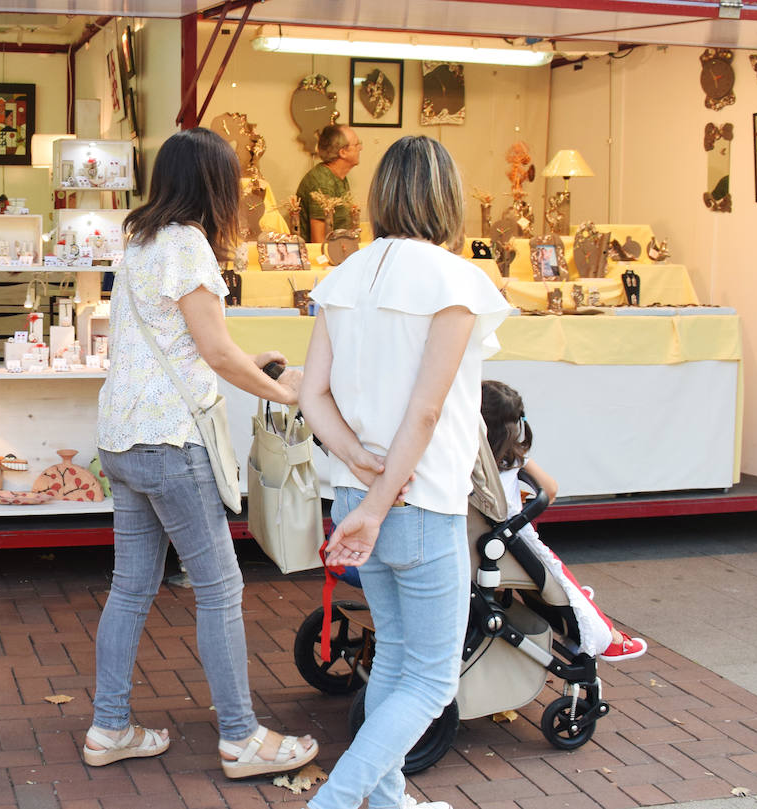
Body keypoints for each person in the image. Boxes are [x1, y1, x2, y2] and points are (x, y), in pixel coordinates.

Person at [87, 126, 318, 779]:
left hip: (123, 436)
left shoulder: (138, 243)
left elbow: (195, 342)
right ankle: (241, 736)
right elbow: (214, 352)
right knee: (220, 587)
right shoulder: (189, 246)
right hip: (170, 440)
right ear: (213, 185)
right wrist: (282, 389)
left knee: (130, 586)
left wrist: (254, 365)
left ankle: (109, 726)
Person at [298, 135, 511, 809]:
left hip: (359, 497)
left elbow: (312, 395)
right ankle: (335, 800)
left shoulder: (344, 276)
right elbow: (425, 414)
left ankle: (390, 801)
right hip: (417, 504)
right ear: (446, 195)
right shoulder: (454, 281)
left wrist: (358, 464)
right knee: (430, 677)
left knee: (394, 656)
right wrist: (382, 494)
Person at [480, 380, 648, 662]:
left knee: (561, 579)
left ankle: (580, 600)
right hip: (509, 544)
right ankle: (610, 638)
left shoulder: (463, 459)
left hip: (477, 541)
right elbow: (551, 490)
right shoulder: (514, 460)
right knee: (559, 575)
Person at [295, 125, 362, 243]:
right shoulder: (321, 182)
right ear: (343, 152)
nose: (360, 148)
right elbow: (318, 240)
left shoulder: (339, 176)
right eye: (356, 144)